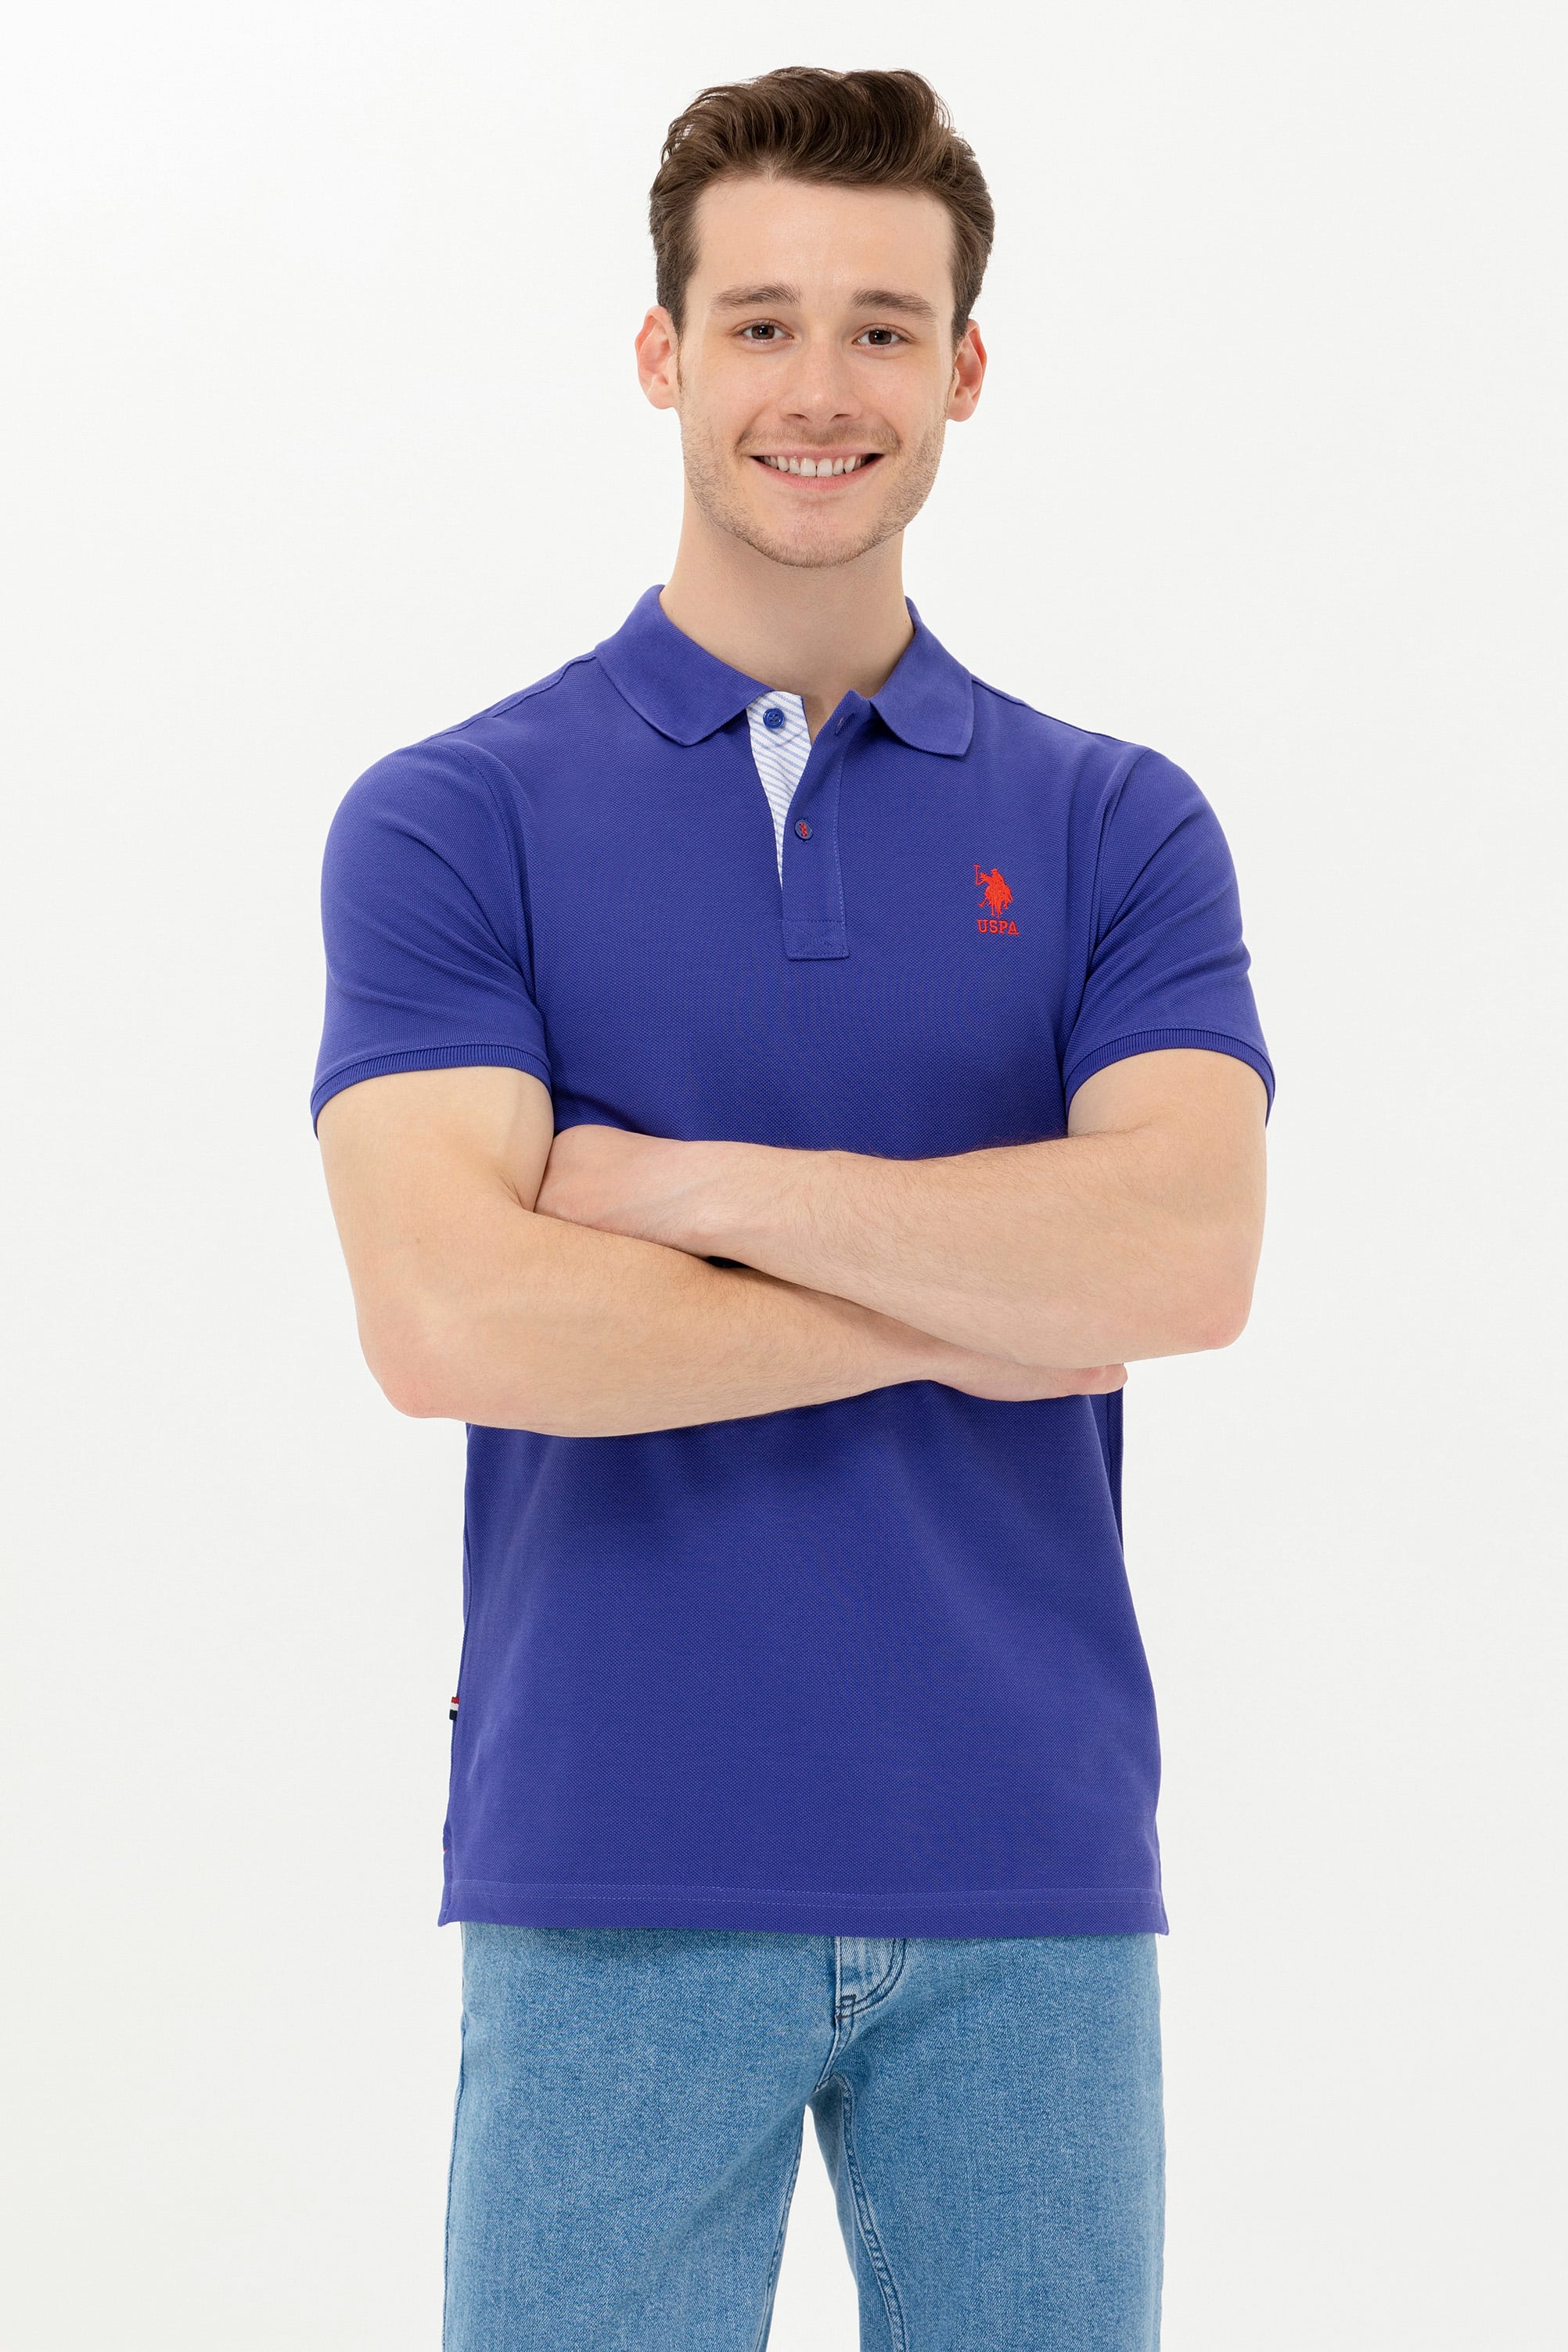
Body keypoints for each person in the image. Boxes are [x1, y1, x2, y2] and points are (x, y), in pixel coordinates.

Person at [311, 64, 1271, 2352]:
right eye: (758, 324)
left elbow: (1181, 1258)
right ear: (663, 353)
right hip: (610, 1864)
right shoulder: (453, 819)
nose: (817, 387)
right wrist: (972, 1302)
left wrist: (682, 1189)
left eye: (878, 327)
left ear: (963, 368)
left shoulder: (1117, 826)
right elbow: (453, 1322)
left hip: (1031, 1878)